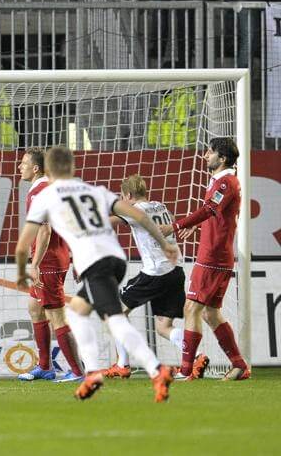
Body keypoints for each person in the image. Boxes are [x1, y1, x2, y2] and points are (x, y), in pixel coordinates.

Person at [16, 146, 177, 402]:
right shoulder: (94, 191)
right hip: (113, 260)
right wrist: (165, 243)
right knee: (78, 312)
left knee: (112, 320)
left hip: (97, 264)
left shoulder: (45, 196)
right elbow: (139, 214)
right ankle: (88, 374)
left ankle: (156, 371)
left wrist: (28, 265)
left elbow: (30, 238)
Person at [161, 138, 249, 380]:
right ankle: (239, 364)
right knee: (210, 313)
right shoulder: (221, 182)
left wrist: (176, 225)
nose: (205, 155)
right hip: (213, 254)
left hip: (214, 256)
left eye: (210, 152)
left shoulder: (226, 183)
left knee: (192, 307)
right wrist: (197, 227)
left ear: (222, 159)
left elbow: (210, 209)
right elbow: (217, 215)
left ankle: (187, 370)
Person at [103, 174, 188, 378]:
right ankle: (195, 355)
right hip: (176, 271)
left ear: (129, 195)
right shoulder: (160, 206)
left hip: (155, 273)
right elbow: (173, 223)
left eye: (122, 197)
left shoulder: (134, 210)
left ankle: (122, 364)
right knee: (163, 326)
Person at [16, 149, 83, 383]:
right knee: (35, 309)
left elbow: (44, 229)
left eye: (23, 163)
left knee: (56, 316)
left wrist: (34, 264)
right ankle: (45, 366)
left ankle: (77, 371)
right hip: (57, 256)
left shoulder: (39, 192)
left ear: (35, 168)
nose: (19, 167)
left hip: (48, 261)